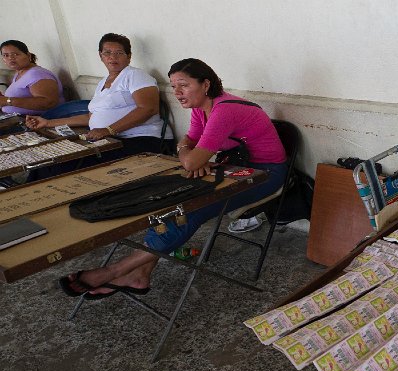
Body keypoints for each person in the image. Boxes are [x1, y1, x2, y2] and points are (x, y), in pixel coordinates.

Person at [57, 58, 287, 299]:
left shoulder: (224, 110)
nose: (177, 93)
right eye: (173, 86)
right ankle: (139, 275)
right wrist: (190, 153)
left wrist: (190, 155)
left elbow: (190, 158)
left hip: (264, 174)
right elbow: (189, 142)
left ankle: (111, 271)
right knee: (168, 200)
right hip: (234, 167)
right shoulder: (200, 107)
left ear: (205, 84)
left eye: (184, 85)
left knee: (190, 209)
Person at [25, 33, 170, 172]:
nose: (112, 57)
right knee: (49, 161)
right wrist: (47, 123)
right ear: (100, 56)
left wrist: (108, 130)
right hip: (110, 139)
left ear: (129, 56)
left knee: (71, 165)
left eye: (119, 53)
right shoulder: (102, 82)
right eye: (107, 53)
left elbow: (148, 108)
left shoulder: (135, 75)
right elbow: (89, 117)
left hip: (140, 139)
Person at [1, 39, 65, 116]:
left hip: (39, 121)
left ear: (28, 55)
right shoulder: (20, 73)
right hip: (18, 119)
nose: (10, 58)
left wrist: (7, 101)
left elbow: (48, 103)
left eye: (15, 54)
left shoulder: (38, 74)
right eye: (6, 55)